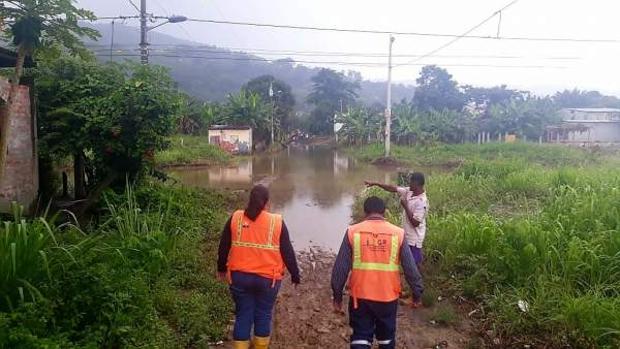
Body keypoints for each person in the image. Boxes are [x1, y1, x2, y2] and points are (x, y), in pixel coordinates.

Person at [331, 196, 423, 349]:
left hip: (360, 297)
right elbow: (410, 268)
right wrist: (417, 293)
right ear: (384, 212)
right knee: (386, 340)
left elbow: (340, 268)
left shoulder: (352, 232)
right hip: (387, 297)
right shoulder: (398, 234)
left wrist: (337, 295)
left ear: (364, 212)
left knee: (360, 337)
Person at [217, 185, 300, 349]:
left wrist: (221, 268)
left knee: (243, 314)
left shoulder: (236, 218)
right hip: (268, 280)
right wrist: (295, 275)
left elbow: (224, 245)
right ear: (266, 203)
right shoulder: (277, 222)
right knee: (263, 314)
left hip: (239, 278)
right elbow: (287, 252)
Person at [365, 172, 428, 270]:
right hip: (406, 235)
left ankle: (417, 281)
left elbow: (415, 223)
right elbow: (392, 188)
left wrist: (405, 206)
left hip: (414, 238)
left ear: (417, 183)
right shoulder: (409, 191)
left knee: (414, 264)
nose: (409, 183)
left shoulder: (422, 202)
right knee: (407, 262)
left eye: (411, 181)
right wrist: (376, 184)